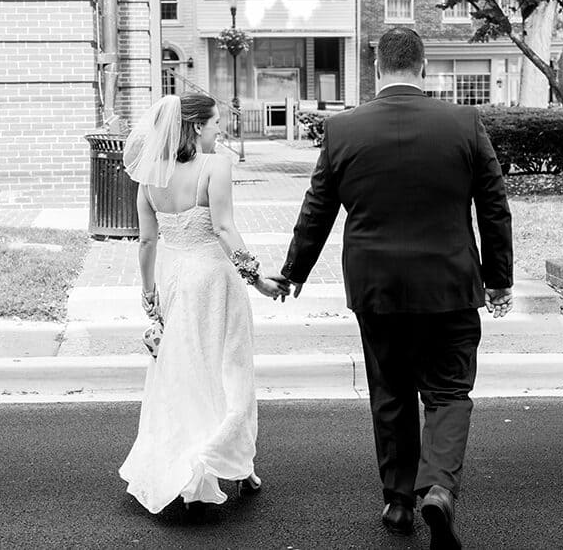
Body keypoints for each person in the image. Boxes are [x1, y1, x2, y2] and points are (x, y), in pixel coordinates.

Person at [279, 27, 513, 548]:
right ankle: (439, 488)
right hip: (450, 285)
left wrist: (294, 272)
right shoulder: (464, 122)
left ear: (378, 69)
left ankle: (399, 500)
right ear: (424, 67)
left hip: (376, 287)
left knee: (391, 392)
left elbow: (317, 208)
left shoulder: (343, 129)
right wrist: (499, 280)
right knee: (449, 390)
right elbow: (493, 207)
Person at [118, 92, 289, 514]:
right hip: (214, 281)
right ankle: (235, 463)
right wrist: (259, 280)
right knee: (229, 368)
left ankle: (197, 459)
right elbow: (224, 228)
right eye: (216, 124)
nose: (221, 130)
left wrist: (148, 293)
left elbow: (146, 241)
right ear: (196, 127)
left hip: (174, 280)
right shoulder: (215, 166)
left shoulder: (149, 179)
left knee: (183, 372)